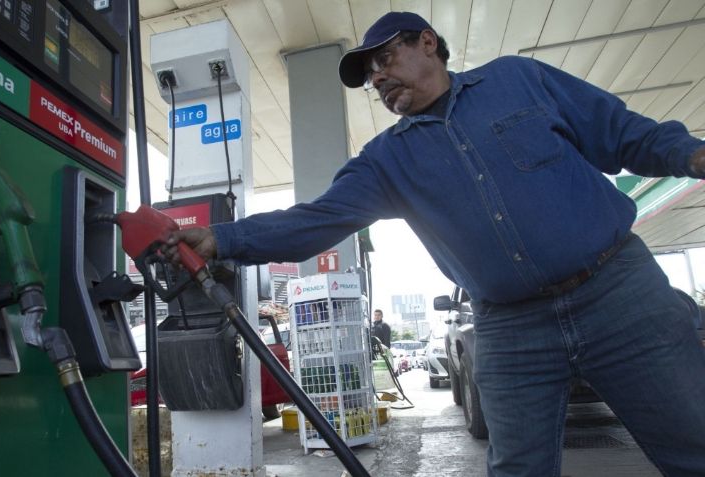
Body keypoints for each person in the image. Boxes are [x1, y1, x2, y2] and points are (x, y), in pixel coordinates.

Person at [163, 11, 705, 477]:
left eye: (383, 59)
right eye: (369, 76)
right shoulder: (385, 160)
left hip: (620, 293)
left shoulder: (518, 80)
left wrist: (691, 155)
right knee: (517, 468)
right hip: (512, 326)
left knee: (692, 443)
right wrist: (222, 238)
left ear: (427, 42)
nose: (376, 78)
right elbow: (316, 219)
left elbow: (623, 132)